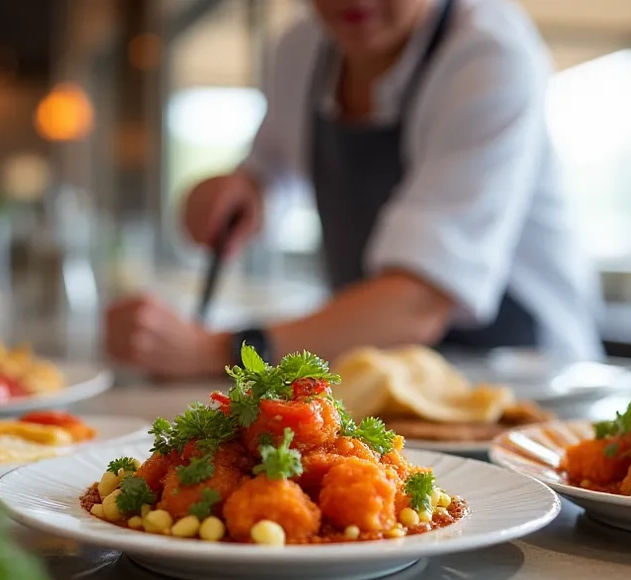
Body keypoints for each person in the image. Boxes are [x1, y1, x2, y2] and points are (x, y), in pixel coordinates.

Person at [106, 0, 602, 378]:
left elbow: (418, 303)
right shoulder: (300, 47)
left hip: (525, 381)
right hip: (387, 375)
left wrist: (215, 351)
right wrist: (244, 192)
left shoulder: (488, 53)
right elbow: (274, 169)